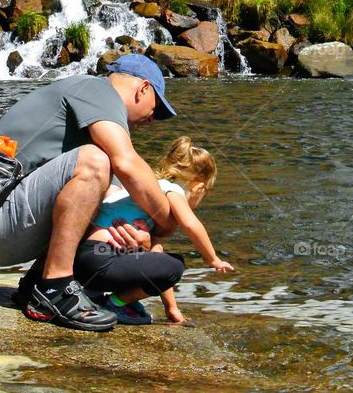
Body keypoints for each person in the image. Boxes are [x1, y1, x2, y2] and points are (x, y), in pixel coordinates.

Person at [0, 54, 179, 332]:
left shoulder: (88, 103)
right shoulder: (96, 89)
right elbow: (127, 163)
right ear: (143, 88)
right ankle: (54, 290)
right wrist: (167, 219)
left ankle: (35, 285)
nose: (152, 120)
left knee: (105, 185)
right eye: (156, 109)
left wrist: (135, 230)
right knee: (97, 161)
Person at [76, 137, 235, 325]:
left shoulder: (141, 191)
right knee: (176, 265)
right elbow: (191, 224)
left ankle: (118, 299)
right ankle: (114, 303)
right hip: (101, 261)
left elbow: (157, 260)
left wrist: (171, 308)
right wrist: (212, 258)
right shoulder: (171, 189)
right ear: (199, 187)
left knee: (159, 261)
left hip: (83, 261)